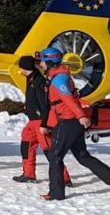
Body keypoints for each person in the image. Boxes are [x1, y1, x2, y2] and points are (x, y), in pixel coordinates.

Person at [37, 47, 110, 201]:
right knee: (82, 156)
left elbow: (68, 99)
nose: (40, 63)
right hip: (70, 120)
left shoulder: (59, 79)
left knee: (55, 155)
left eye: (42, 60)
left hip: (69, 120)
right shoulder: (56, 76)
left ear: (50, 61)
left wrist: (80, 116)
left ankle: (56, 192)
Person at [13, 56, 72, 186]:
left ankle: (64, 178)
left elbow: (45, 105)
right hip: (32, 120)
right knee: (26, 143)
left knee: (49, 149)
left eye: (21, 67)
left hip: (40, 121)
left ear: (26, 67)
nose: (20, 70)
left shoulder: (39, 81)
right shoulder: (31, 79)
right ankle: (29, 174)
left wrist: (45, 124)